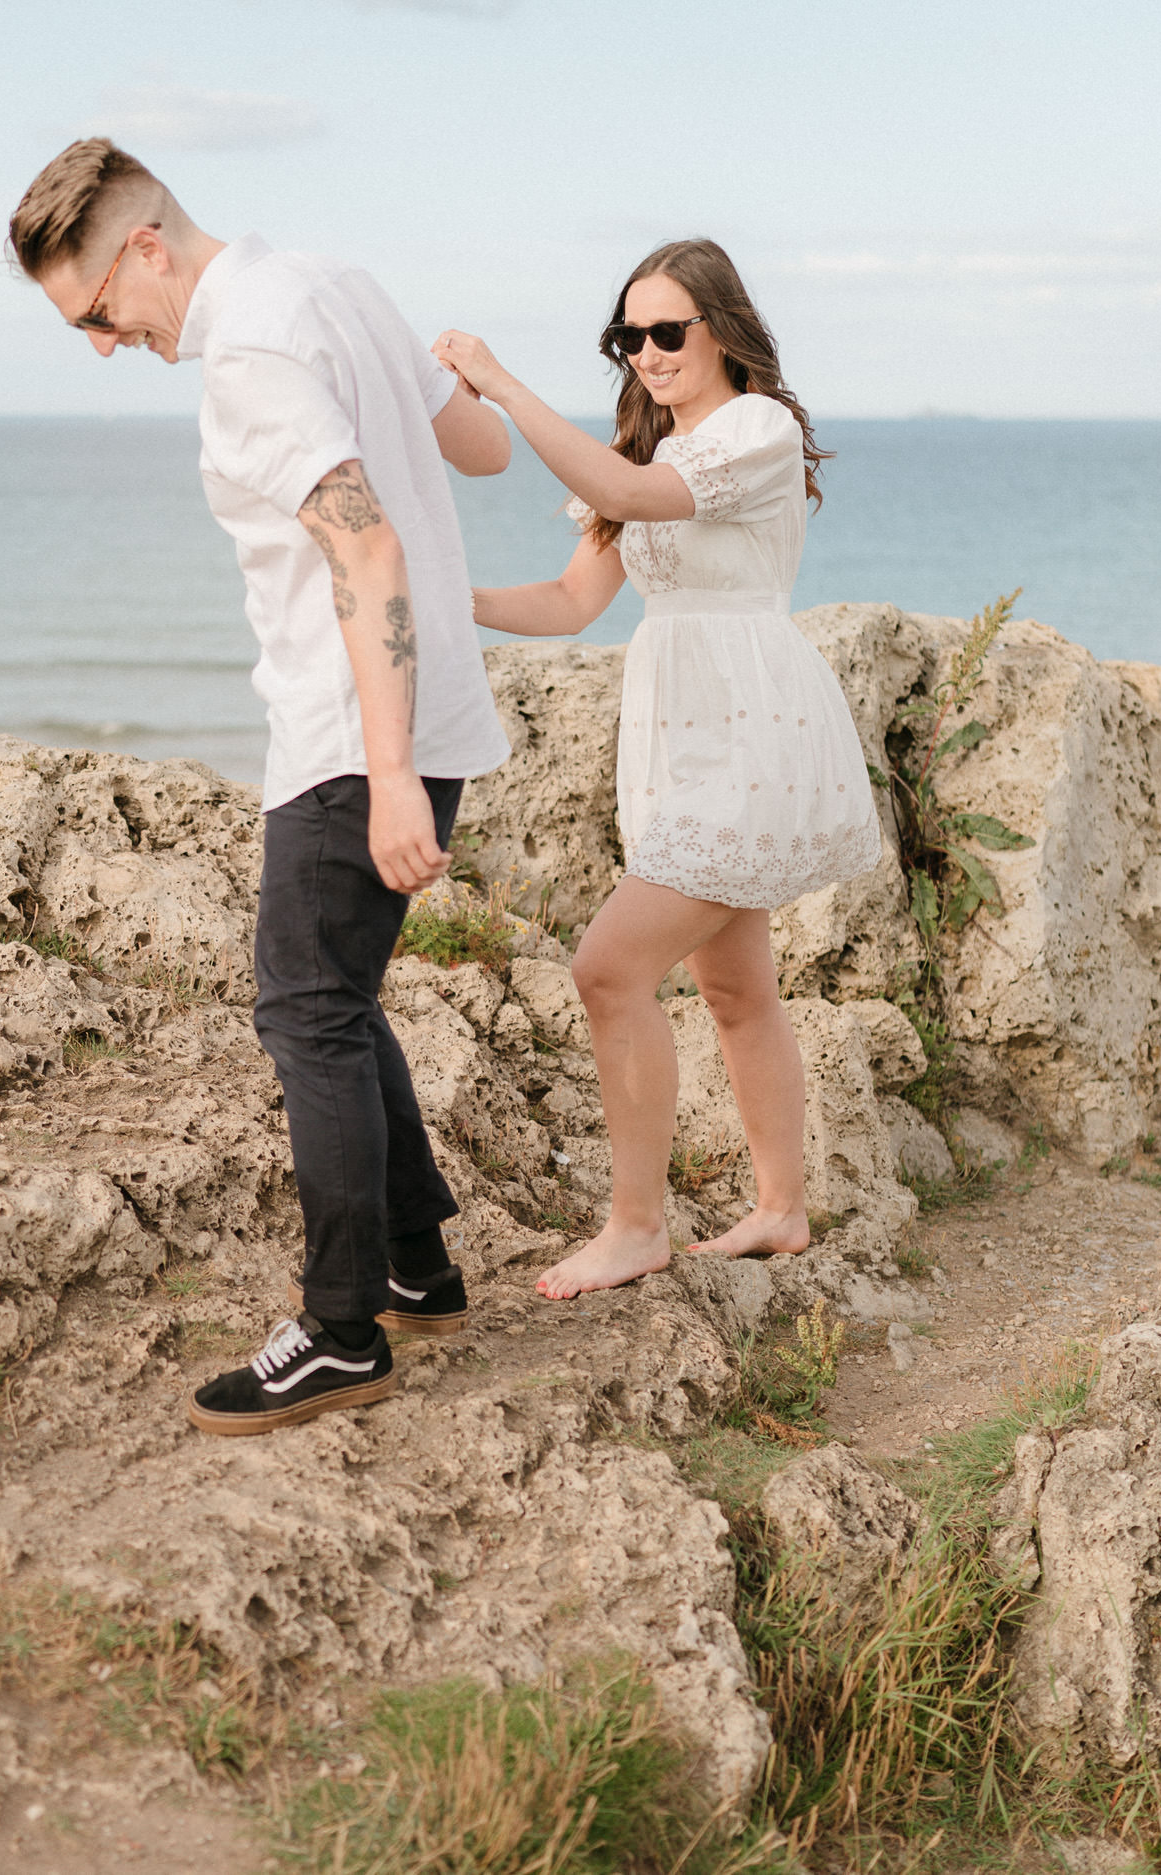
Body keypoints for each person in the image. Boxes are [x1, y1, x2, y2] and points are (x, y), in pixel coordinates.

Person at [6, 139, 514, 1434]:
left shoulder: (247, 355)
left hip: (356, 731)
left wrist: (385, 774)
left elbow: (367, 543)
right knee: (338, 995)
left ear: (147, 247)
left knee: (306, 1013)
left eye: (98, 312)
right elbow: (482, 449)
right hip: (414, 716)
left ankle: (342, 1329)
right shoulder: (335, 283)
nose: (105, 345)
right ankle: (416, 1266)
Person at [430, 238, 877, 1299]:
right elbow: (568, 603)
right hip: (682, 736)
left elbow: (629, 493)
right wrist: (445, 596)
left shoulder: (755, 430)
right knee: (735, 985)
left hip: (748, 731)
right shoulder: (648, 448)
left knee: (607, 969)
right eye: (627, 337)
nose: (647, 353)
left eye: (667, 331)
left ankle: (636, 1226)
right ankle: (780, 1210)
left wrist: (502, 385)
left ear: (721, 329)